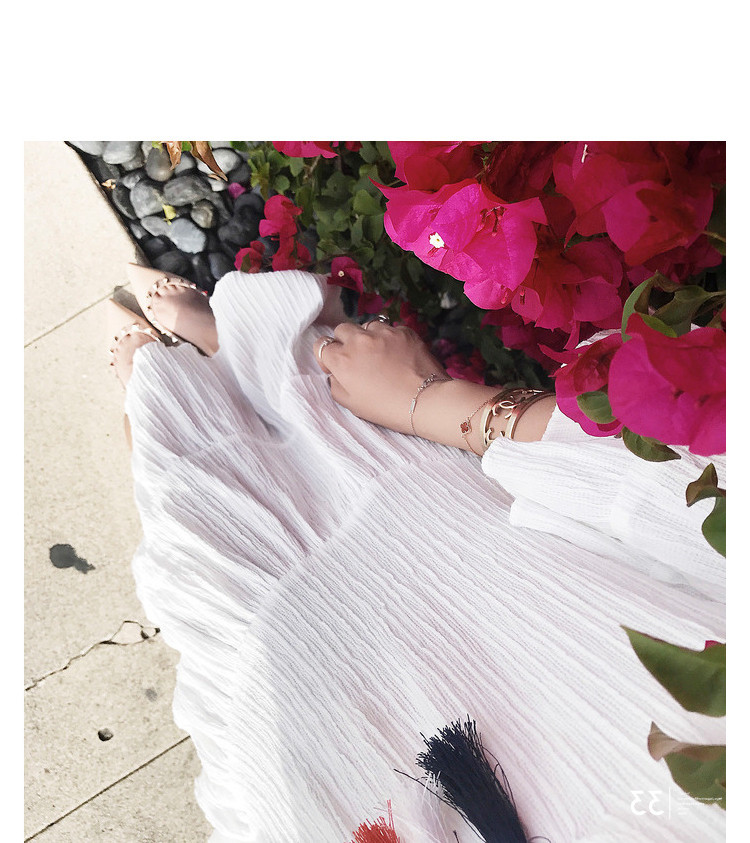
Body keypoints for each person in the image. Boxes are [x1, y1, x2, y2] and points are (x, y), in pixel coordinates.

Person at [108, 263, 725, 843]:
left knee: (217, 541)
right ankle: (236, 353)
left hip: (322, 694)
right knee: (383, 456)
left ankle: (177, 411)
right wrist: (436, 401)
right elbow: (702, 508)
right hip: (521, 576)